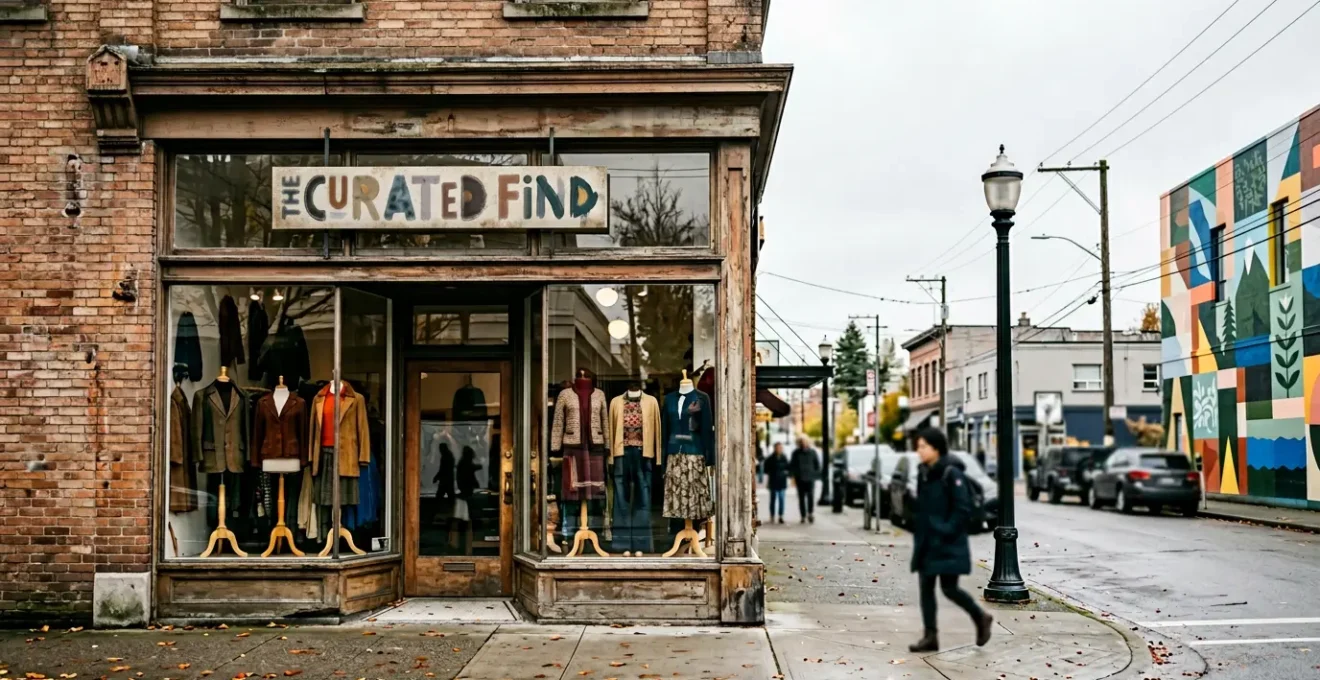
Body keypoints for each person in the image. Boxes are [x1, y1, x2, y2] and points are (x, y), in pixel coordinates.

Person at [909, 427, 994, 653]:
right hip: (927, 541)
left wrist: (945, 529)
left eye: (923, 447)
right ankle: (930, 636)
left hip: (947, 541)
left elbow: (963, 509)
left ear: (936, 448)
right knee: (926, 588)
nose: (919, 451)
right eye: (918, 447)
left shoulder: (951, 473)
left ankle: (981, 617)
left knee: (949, 588)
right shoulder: (923, 471)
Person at [789, 437, 821, 524]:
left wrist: (815, 474)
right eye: (801, 442)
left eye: (805, 442)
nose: (803, 444)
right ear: (799, 443)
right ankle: (803, 516)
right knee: (801, 498)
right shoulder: (795, 453)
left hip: (810, 479)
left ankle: (810, 513)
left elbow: (817, 465)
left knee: (810, 497)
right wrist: (793, 477)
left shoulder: (812, 452)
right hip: (800, 479)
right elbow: (792, 465)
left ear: (808, 442)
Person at [763, 442, 789, 523]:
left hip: (782, 482)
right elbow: (765, 469)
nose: (779, 449)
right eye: (778, 447)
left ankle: (781, 516)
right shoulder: (770, 458)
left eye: (780, 448)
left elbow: (788, 467)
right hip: (773, 482)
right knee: (773, 500)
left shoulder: (784, 457)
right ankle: (772, 516)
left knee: (781, 500)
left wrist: (785, 473)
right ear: (775, 448)